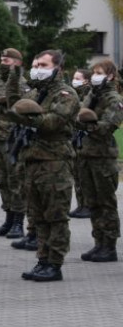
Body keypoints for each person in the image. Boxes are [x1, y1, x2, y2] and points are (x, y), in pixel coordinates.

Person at [5, 49, 80, 282]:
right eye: (36, 64)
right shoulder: (38, 92)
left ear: (57, 68)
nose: (37, 69)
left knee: (55, 216)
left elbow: (51, 122)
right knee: (37, 217)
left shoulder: (66, 95)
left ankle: (54, 263)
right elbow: (14, 102)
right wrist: (14, 75)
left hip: (54, 162)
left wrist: (20, 116)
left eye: (44, 65)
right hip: (34, 161)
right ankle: (42, 259)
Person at [75, 60, 123, 262]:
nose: (95, 75)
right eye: (93, 72)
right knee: (92, 202)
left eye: (99, 72)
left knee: (106, 203)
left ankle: (109, 246)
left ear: (110, 76)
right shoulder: (92, 95)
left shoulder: (114, 99)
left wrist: (87, 125)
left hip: (103, 157)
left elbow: (106, 126)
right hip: (86, 155)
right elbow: (78, 117)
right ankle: (98, 242)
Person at [0, 48, 28, 239]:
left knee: (16, 180)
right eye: (2, 59)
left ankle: (19, 221)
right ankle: (9, 219)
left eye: (8, 60)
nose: (3, 62)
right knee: (3, 180)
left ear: (17, 63)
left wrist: (3, 101)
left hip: (13, 138)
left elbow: (22, 106)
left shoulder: (22, 83)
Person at [69, 68, 93, 219]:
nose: (74, 80)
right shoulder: (75, 93)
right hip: (75, 138)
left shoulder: (89, 94)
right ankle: (81, 205)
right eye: (74, 77)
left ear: (86, 80)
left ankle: (88, 206)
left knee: (84, 175)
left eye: (78, 78)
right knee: (77, 173)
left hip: (86, 139)